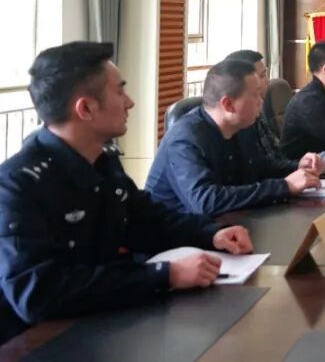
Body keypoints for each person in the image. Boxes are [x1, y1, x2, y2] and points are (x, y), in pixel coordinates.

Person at [0, 42, 254, 344]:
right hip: (36, 343)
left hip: (100, 327)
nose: (130, 102)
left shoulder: (102, 161)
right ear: (86, 108)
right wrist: (165, 275)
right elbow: (38, 294)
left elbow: (148, 220)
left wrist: (211, 234)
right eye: (120, 92)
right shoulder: (17, 184)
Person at [146, 60, 324, 216]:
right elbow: (206, 201)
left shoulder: (242, 125)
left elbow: (261, 168)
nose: (261, 102)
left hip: (230, 224)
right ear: (228, 104)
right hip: (179, 237)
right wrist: (284, 186)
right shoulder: (185, 138)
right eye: (255, 95)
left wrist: (299, 168)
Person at [223, 49, 321, 179]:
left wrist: (299, 166)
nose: (267, 81)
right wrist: (287, 184)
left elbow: (270, 162)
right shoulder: (239, 121)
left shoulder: (257, 111)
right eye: (262, 75)